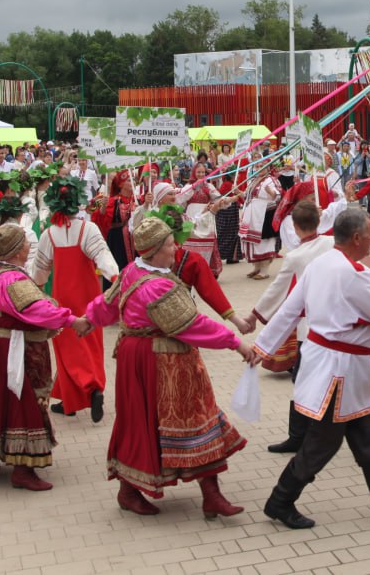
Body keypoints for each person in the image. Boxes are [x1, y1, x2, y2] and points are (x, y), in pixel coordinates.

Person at [254, 208, 370, 530]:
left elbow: (289, 310)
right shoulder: (350, 274)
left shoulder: (322, 264)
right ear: (356, 237)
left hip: (341, 369)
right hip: (337, 373)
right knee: (322, 443)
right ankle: (280, 500)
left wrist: (263, 345)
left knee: (366, 437)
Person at [79, 215, 251, 518]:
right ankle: (132, 491)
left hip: (144, 357)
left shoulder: (133, 270)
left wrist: (87, 320)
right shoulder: (155, 287)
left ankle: (207, 494)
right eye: (171, 244)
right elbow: (193, 325)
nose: (176, 249)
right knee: (184, 417)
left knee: (165, 419)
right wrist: (236, 343)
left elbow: (106, 303)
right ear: (155, 249)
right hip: (159, 360)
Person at [0, 224, 88, 491]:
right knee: (23, 399)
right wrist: (73, 320)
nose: (28, 245)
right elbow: (38, 310)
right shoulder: (14, 280)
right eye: (25, 242)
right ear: (17, 251)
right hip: (14, 349)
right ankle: (23, 468)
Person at [31, 176, 119, 422]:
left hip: (63, 299)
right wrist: (119, 280)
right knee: (90, 343)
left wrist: (33, 292)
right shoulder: (87, 229)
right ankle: (80, 394)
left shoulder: (49, 234)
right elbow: (104, 258)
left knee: (67, 347)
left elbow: (39, 270)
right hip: (89, 297)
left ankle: (88, 390)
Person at [245, 200, 330, 453]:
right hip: (335, 323)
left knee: (302, 379)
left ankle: (299, 436)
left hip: (309, 327)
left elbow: (276, 289)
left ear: (294, 227)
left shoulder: (295, 256)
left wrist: (254, 314)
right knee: (322, 377)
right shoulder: (331, 244)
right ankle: (321, 430)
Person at [242, 164, 282, 279]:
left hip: (265, 213)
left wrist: (271, 192)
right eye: (257, 166)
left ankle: (264, 270)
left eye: (262, 166)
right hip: (253, 213)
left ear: (268, 168)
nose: (259, 168)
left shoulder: (271, 180)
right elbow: (248, 195)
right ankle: (257, 267)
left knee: (265, 240)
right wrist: (239, 193)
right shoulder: (254, 180)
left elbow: (278, 195)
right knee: (254, 241)